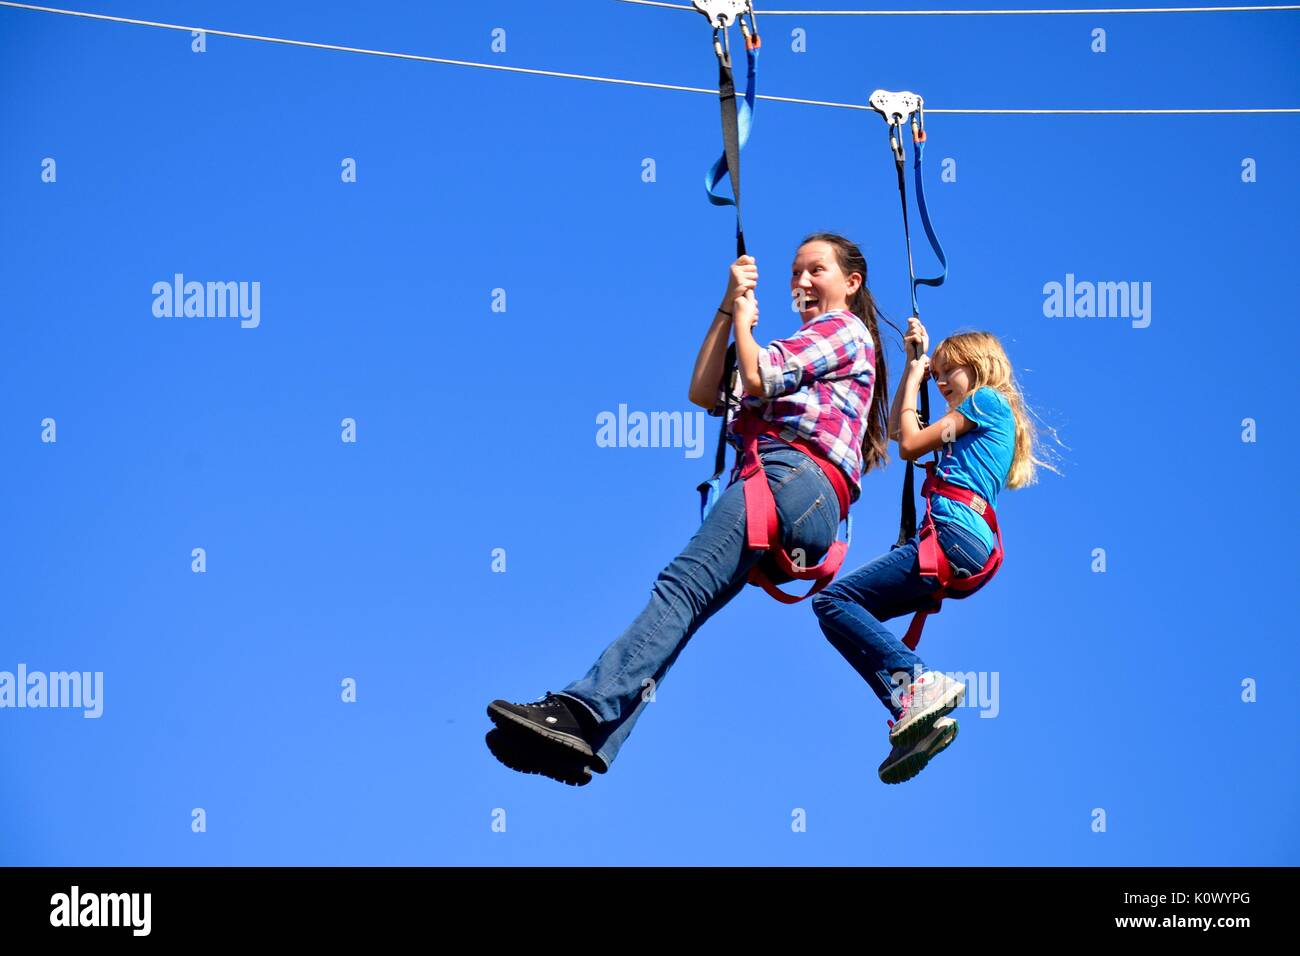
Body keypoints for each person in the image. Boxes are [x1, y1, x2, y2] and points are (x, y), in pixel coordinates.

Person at [485, 234, 889, 785]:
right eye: (795, 272)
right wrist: (729, 306)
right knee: (688, 604)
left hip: (793, 478)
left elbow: (758, 377)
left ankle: (579, 710)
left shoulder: (843, 331)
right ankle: (587, 741)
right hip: (795, 493)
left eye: (816, 270)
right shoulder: (795, 348)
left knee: (680, 588)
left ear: (851, 281)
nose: (801, 282)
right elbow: (703, 391)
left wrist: (746, 324)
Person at [812, 319, 1044, 785]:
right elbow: (904, 435)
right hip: (962, 545)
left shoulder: (984, 400)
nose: (940, 384)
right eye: (936, 376)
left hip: (953, 535)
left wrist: (918, 373)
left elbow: (911, 444)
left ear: (977, 368)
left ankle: (918, 681)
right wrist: (912, 367)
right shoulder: (978, 425)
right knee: (839, 614)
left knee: (832, 601)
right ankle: (913, 710)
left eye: (948, 373)